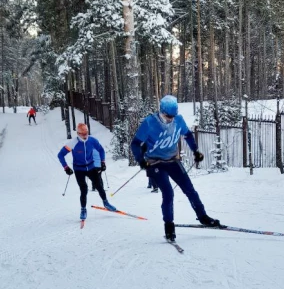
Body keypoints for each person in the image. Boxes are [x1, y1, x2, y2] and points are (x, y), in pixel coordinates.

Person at [131, 95, 220, 242]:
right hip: (154, 163)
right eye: (168, 116)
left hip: (172, 160)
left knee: (189, 189)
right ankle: (169, 226)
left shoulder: (178, 120)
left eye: (173, 115)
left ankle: (203, 217)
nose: (171, 119)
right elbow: (135, 144)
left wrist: (195, 151)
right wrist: (141, 160)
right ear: (161, 111)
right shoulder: (149, 122)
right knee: (168, 192)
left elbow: (188, 135)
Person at [58, 123, 116, 221]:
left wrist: (103, 162)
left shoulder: (92, 140)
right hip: (79, 169)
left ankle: (106, 203)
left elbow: (101, 150)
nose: (85, 135)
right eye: (83, 133)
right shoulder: (73, 143)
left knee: (99, 186)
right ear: (78, 133)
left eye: (86, 133)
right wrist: (66, 167)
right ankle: (83, 209)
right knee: (84, 189)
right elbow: (60, 155)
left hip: (91, 167)